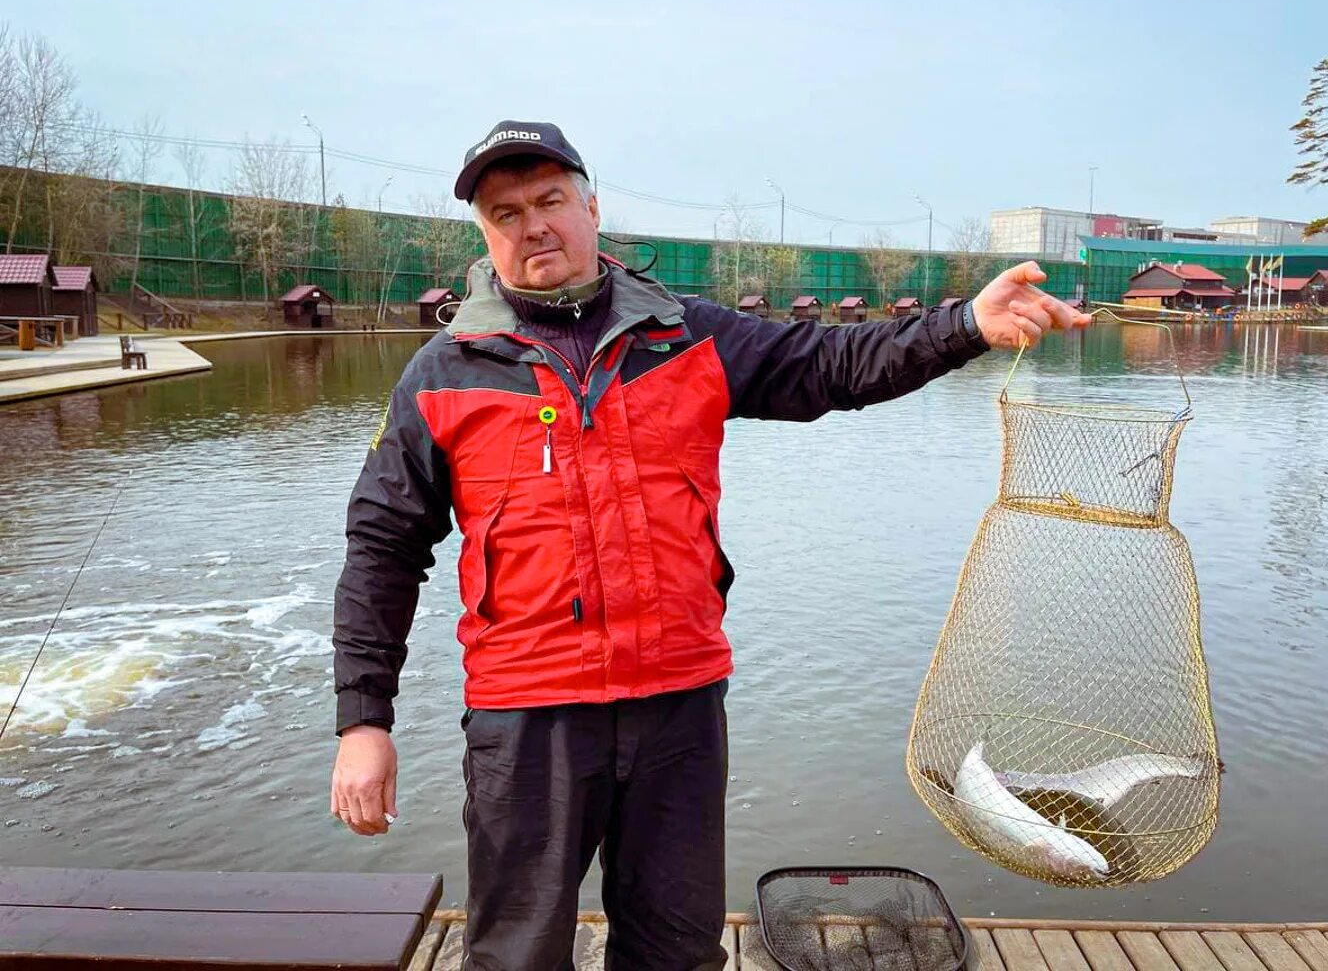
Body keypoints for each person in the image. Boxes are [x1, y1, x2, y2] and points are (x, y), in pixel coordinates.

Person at [331, 120, 1090, 970]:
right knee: (515, 955)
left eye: (549, 200)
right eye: (505, 212)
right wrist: (365, 720)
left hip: (678, 706)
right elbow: (382, 550)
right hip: (527, 717)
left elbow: (835, 363)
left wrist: (965, 328)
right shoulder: (444, 372)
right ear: (484, 234)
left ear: (591, 206)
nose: (532, 225)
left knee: (677, 952)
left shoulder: (689, 334)